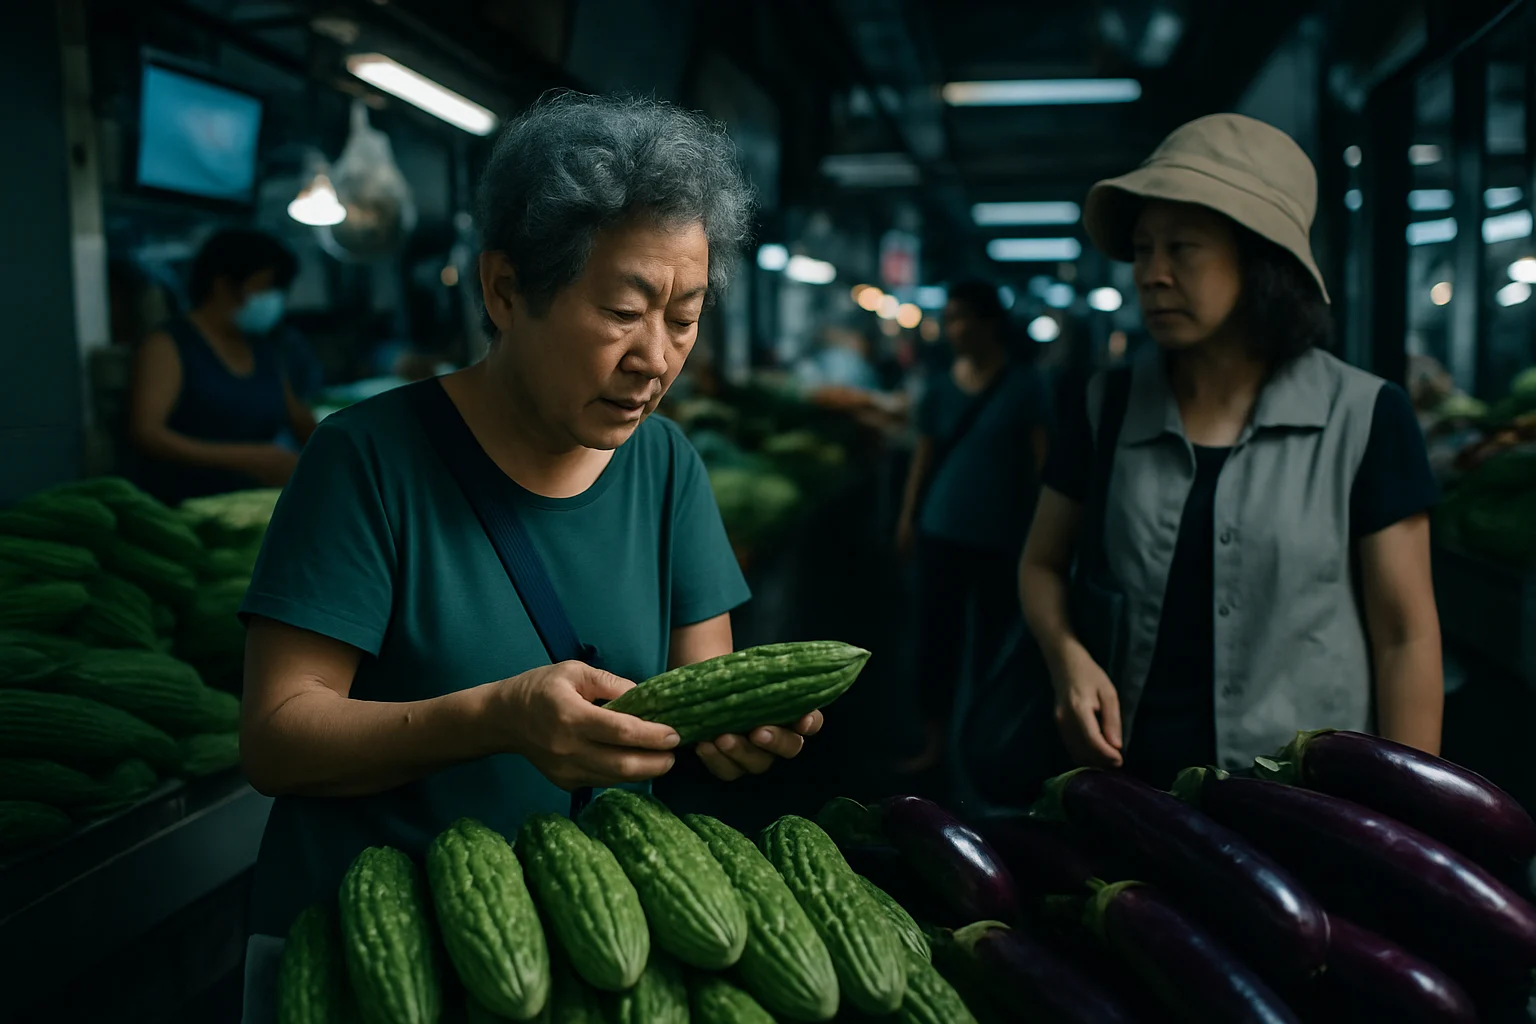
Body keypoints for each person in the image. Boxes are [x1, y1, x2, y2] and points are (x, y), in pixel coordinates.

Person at [235, 93, 820, 1022]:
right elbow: (277, 738)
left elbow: (702, 696)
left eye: (686, 315)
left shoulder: (666, 466)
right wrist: (501, 716)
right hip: (381, 964)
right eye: (624, 310)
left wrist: (738, 737)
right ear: (504, 289)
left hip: (584, 958)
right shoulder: (366, 459)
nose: (656, 358)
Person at [1019, 113, 1444, 790]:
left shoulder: (1366, 416)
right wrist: (1067, 657)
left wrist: (1408, 818)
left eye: (1183, 247)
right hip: (1134, 795)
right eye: (1143, 247)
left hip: (1308, 804)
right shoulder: (1107, 406)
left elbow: (1406, 637)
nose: (1152, 274)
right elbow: (1041, 564)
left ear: (1261, 260)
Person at [894, 281, 1052, 775]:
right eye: (951, 319)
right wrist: (907, 517)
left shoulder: (1028, 386)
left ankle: (986, 744)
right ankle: (936, 744)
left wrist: (1047, 537)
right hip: (942, 530)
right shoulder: (941, 387)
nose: (955, 330)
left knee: (993, 644)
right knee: (935, 639)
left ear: (990, 325)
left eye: (964, 319)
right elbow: (923, 457)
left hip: (1004, 537)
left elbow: (1044, 465)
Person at [127, 229, 315, 504]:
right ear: (223, 284)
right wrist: (248, 458)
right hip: (187, 510)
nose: (274, 300)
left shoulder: (261, 349)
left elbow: (299, 419)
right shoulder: (169, 344)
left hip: (257, 504)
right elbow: (147, 433)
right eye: (265, 288)